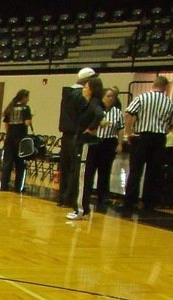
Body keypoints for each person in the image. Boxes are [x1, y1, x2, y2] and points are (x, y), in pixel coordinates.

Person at [121, 75, 173, 214]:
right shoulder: (170, 103)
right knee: (154, 173)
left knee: (135, 171)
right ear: (165, 87)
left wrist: (129, 133)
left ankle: (129, 203)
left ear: (153, 84)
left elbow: (128, 114)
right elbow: (171, 124)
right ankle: (149, 204)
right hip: (159, 138)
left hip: (142, 137)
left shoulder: (142, 97)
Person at [77, 87, 124, 216]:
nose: (110, 99)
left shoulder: (117, 112)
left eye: (113, 97)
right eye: (108, 96)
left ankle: (102, 198)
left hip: (109, 142)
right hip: (95, 141)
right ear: (102, 97)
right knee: (90, 170)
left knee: (105, 171)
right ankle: (86, 196)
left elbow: (120, 129)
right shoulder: (96, 109)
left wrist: (120, 144)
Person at [66, 76, 107, 221]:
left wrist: (91, 128)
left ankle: (81, 210)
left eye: (85, 87)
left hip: (87, 144)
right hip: (83, 142)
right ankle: (83, 208)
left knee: (83, 177)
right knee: (82, 176)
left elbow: (100, 114)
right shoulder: (88, 103)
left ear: (91, 89)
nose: (83, 89)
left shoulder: (94, 103)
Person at [57, 66, 95, 208]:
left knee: (65, 167)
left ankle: (62, 197)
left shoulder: (67, 93)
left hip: (66, 135)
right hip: (76, 135)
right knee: (75, 168)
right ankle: (70, 198)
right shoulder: (81, 96)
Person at [0, 89, 33, 192]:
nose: (28, 99)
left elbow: (6, 125)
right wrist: (31, 118)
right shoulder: (25, 108)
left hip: (10, 138)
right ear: (24, 98)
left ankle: (4, 185)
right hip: (20, 139)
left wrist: (10, 133)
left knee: (7, 163)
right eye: (28, 97)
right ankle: (18, 187)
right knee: (20, 163)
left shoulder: (10, 108)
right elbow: (27, 123)